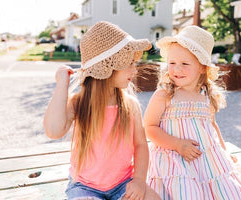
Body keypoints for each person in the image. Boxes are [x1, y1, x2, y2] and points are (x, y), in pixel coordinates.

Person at [144, 25, 241, 199]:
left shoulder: (206, 95)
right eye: (172, 63)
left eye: (185, 64)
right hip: (173, 158)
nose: (177, 69)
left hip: (205, 160)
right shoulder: (165, 94)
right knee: (187, 193)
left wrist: (224, 153)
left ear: (202, 67)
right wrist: (178, 144)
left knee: (230, 192)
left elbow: (212, 126)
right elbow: (149, 127)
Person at [44, 21, 160, 200]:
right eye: (129, 63)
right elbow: (53, 131)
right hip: (84, 187)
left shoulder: (130, 105)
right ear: (108, 66)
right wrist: (62, 87)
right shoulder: (79, 103)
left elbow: (140, 144)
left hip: (123, 183)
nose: (134, 70)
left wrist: (138, 180)